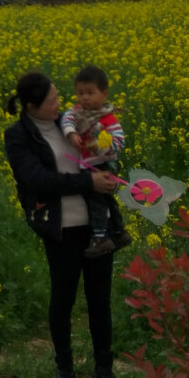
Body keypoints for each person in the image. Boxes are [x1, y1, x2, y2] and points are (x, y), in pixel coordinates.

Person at [4, 70, 129, 378]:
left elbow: (104, 150)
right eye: (52, 100)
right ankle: (65, 371)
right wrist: (89, 184)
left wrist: (107, 173)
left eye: (59, 96)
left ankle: (105, 374)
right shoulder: (18, 137)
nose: (61, 103)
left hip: (96, 225)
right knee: (64, 299)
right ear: (32, 106)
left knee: (100, 301)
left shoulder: (72, 120)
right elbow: (38, 180)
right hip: (61, 229)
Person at [60, 65, 131, 259]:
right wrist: (72, 132)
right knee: (108, 198)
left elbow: (118, 142)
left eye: (90, 93)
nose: (84, 98)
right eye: (80, 93)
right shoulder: (78, 112)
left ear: (104, 94)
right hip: (88, 164)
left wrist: (98, 146)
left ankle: (100, 238)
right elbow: (67, 118)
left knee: (95, 198)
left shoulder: (108, 119)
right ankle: (119, 233)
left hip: (104, 164)